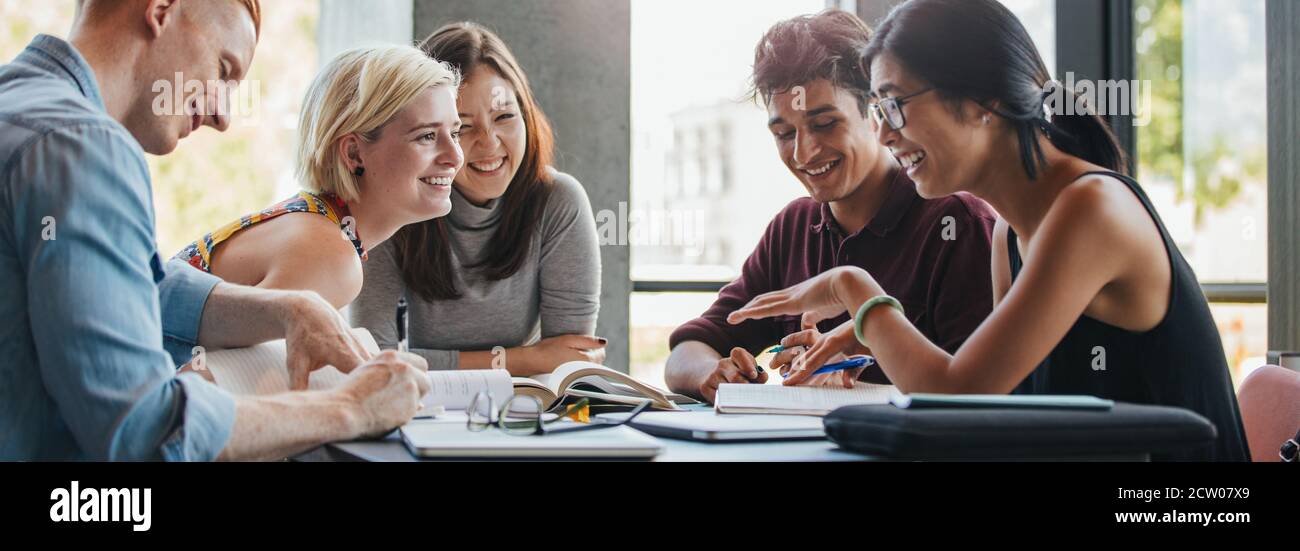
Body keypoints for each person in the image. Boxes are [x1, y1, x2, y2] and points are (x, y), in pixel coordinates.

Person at [727, 0, 1248, 461]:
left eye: (894, 105)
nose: (884, 133)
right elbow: (992, 407)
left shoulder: (1091, 209)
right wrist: (867, 334)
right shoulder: (1010, 235)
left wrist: (853, 290)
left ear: (981, 101)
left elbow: (957, 395)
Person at [0, 0, 430, 461]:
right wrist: (350, 407)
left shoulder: (19, 105)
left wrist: (289, 308)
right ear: (161, 9)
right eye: (224, 70)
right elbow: (145, 431)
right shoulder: (84, 147)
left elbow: (123, 289)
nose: (224, 117)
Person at [664, 9, 997, 403]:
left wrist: (860, 362)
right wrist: (712, 373)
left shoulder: (957, 223)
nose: (803, 152)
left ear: (875, 111)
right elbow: (688, 350)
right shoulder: (793, 227)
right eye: (784, 134)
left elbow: (977, 395)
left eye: (824, 124)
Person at [352, 22, 604, 377]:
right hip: (415, 411)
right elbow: (375, 360)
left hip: (523, 411)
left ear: (527, 116)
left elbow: (568, 360)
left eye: (504, 117)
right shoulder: (392, 202)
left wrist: (535, 361)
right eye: (462, 127)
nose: (489, 143)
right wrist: (524, 359)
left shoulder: (558, 201)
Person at [174, 45, 464, 310]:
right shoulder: (330, 257)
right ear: (353, 153)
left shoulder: (318, 224)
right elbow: (214, 368)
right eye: (426, 136)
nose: (455, 156)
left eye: (454, 133)